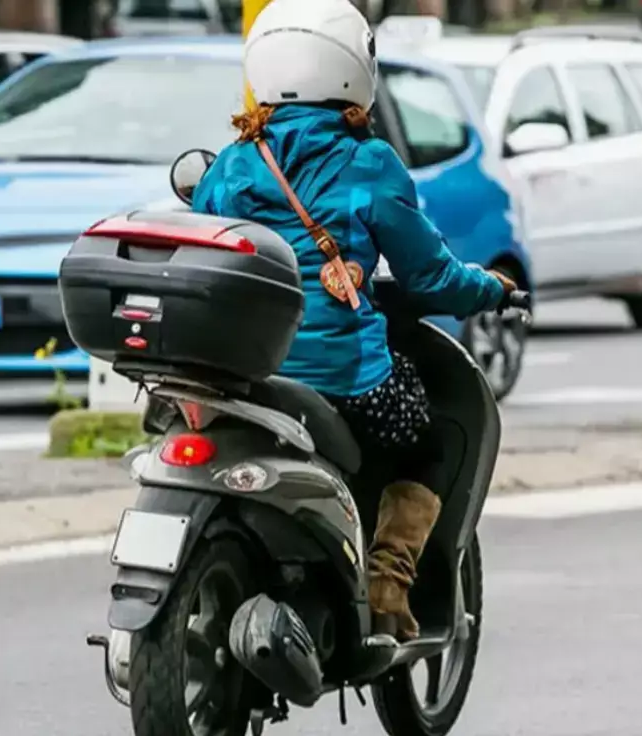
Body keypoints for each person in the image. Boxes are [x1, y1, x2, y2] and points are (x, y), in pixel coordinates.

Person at [190, 0, 517, 642]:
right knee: (431, 440)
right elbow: (430, 276)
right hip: (342, 378)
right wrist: (489, 289)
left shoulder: (231, 164)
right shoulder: (367, 163)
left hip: (243, 376)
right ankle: (388, 582)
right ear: (352, 69)